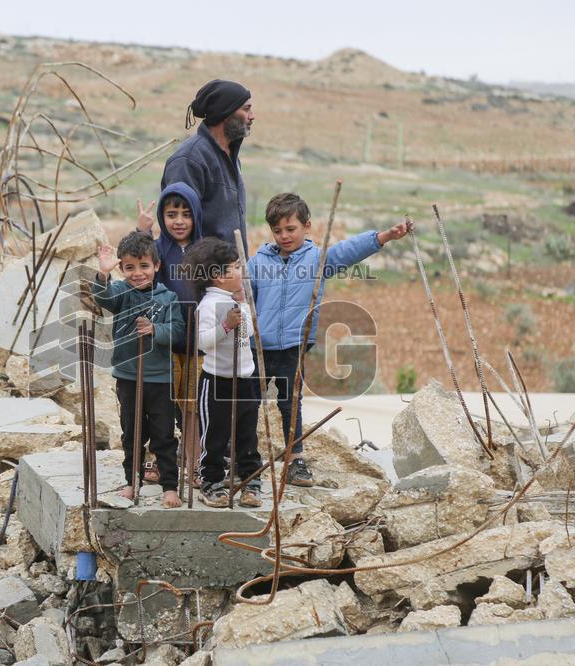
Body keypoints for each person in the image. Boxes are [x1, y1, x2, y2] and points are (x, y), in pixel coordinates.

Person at [248, 193, 414, 486]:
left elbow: (349, 250)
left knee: (290, 404)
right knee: (248, 402)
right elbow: (243, 294)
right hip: (258, 347)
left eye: (291, 229)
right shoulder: (258, 261)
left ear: (307, 226)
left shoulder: (317, 259)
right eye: (277, 230)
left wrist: (384, 236)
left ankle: (295, 460)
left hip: (293, 347)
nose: (284, 236)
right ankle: (243, 457)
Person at [92, 231, 186, 508]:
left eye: (144, 266)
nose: (137, 273)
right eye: (130, 267)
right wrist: (103, 274)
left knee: (163, 433)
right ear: (122, 268)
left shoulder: (168, 298)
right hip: (128, 377)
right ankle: (132, 482)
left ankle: (169, 486)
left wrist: (155, 329)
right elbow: (102, 298)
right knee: (132, 433)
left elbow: (178, 330)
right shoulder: (121, 293)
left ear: (156, 265)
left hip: (160, 378)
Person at [184, 237, 263, 508]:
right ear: (218, 276)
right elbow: (202, 342)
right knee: (215, 435)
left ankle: (250, 480)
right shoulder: (208, 305)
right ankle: (211, 482)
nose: (241, 271)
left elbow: (249, 332)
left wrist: (243, 306)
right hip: (217, 381)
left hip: (245, 379)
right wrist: (226, 326)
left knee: (247, 433)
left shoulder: (234, 300)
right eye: (236, 267)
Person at [134, 183, 204, 483]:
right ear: (162, 217)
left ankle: (195, 463)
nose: (179, 221)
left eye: (186, 214)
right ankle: (157, 460)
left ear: (196, 215)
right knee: (160, 405)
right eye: (172, 214)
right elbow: (138, 264)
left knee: (192, 408)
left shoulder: (205, 250)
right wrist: (142, 231)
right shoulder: (158, 249)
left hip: (199, 345)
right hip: (164, 343)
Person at [162, 79, 254, 255]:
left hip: (231, 269)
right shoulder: (189, 160)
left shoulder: (232, 157)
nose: (252, 116)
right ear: (225, 112)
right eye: (246, 109)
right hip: (202, 269)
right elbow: (179, 232)